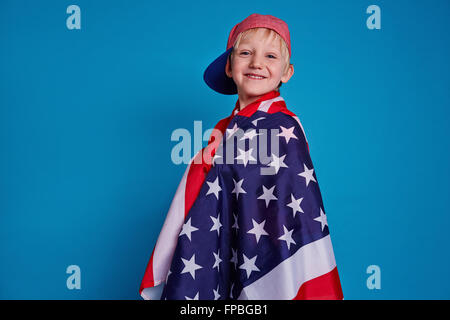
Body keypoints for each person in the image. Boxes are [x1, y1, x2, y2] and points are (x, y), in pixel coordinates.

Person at [139, 13, 343, 300]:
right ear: (229, 65)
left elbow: (288, 205)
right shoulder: (226, 130)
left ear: (287, 72)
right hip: (226, 252)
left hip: (269, 255)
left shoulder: (284, 127)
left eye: (270, 56)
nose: (257, 63)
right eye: (246, 53)